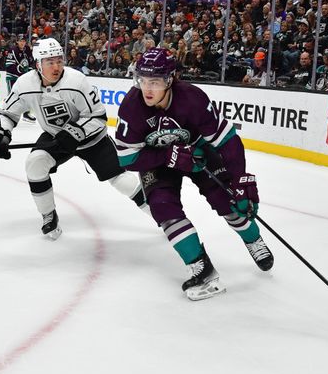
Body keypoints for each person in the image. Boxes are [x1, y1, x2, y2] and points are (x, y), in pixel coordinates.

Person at [114, 48, 273, 301]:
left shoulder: (192, 98)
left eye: (154, 81)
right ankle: (202, 268)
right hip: (157, 162)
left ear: (170, 79)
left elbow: (228, 141)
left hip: (199, 153)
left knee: (227, 201)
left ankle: (253, 239)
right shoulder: (132, 107)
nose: (147, 89)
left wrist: (240, 179)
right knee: (163, 208)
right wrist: (167, 156)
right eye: (142, 80)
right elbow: (126, 158)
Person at [0, 37, 147, 239]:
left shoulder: (76, 81)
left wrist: (75, 132)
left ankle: (162, 216)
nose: (56, 67)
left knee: (122, 180)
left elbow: (98, 117)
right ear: (38, 64)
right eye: (50, 62)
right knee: (35, 163)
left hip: (92, 140)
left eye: (59, 61)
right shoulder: (24, 84)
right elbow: (5, 113)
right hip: (56, 137)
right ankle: (48, 215)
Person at [5, 35, 36, 122]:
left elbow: (31, 62)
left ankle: (26, 114)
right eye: (20, 41)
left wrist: (29, 71)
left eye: (24, 41)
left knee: (27, 95)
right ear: (17, 42)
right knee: (13, 95)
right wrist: (20, 69)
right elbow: (8, 66)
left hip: (23, 77)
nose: (22, 43)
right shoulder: (13, 50)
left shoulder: (27, 50)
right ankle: (8, 112)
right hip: (12, 76)